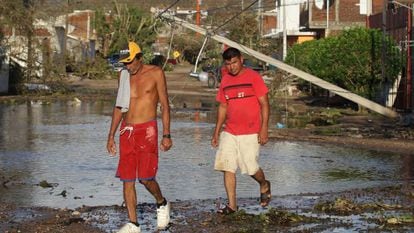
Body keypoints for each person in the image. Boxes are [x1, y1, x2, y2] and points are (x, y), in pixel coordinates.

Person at [106, 41, 173, 233]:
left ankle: (161, 202)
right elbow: (120, 106)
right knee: (127, 179)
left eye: (130, 61)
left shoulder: (156, 73)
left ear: (140, 58)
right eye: (124, 62)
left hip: (148, 130)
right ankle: (134, 224)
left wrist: (167, 134)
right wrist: (111, 135)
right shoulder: (123, 76)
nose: (128, 66)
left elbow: (165, 106)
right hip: (127, 131)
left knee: (145, 178)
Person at [211, 47, 271, 214]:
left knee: (250, 168)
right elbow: (223, 106)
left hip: (251, 130)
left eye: (235, 62)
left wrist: (264, 128)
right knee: (227, 166)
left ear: (241, 60)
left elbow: (265, 104)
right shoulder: (225, 80)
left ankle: (264, 184)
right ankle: (232, 205)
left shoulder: (254, 77)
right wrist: (216, 131)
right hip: (230, 130)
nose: (232, 67)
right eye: (228, 64)